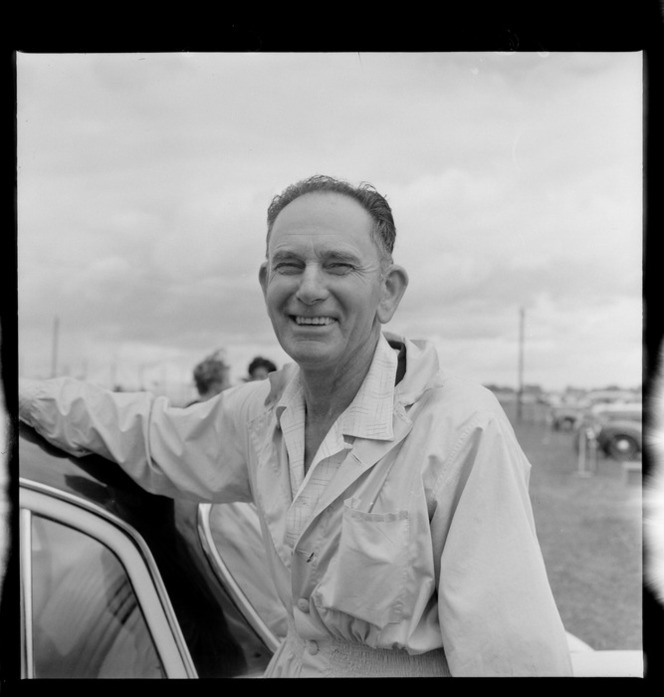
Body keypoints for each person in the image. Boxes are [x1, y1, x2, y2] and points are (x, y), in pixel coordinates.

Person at [19, 174, 573, 677]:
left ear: (388, 291)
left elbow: (513, 660)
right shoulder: (262, 415)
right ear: (266, 282)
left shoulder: (461, 430)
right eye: (289, 265)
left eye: (338, 265)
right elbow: (145, 433)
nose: (309, 288)